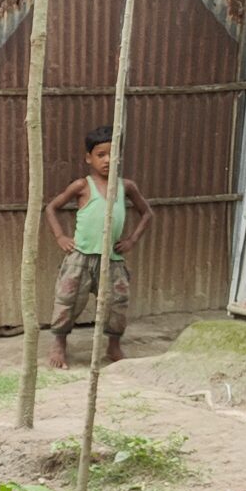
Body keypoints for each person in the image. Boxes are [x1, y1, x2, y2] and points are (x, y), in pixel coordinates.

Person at [44, 124, 154, 369]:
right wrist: (61, 237)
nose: (106, 160)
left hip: (112, 258)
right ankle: (59, 343)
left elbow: (147, 213)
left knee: (117, 303)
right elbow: (51, 208)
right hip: (80, 257)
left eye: (112, 155)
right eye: (100, 155)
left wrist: (131, 240)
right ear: (88, 158)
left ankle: (113, 345)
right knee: (68, 300)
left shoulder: (126, 186)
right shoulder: (81, 186)